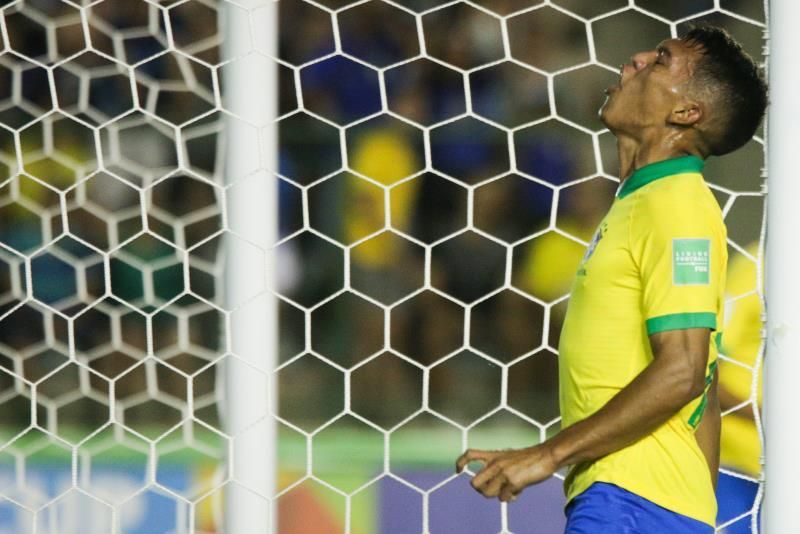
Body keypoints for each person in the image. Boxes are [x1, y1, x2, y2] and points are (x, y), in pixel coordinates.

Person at [455, 25, 767, 532]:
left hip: (632, 500)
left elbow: (683, 370)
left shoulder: (678, 207)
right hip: (642, 503)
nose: (636, 58)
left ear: (686, 113)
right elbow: (704, 383)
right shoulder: (641, 203)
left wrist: (547, 454)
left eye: (661, 60)